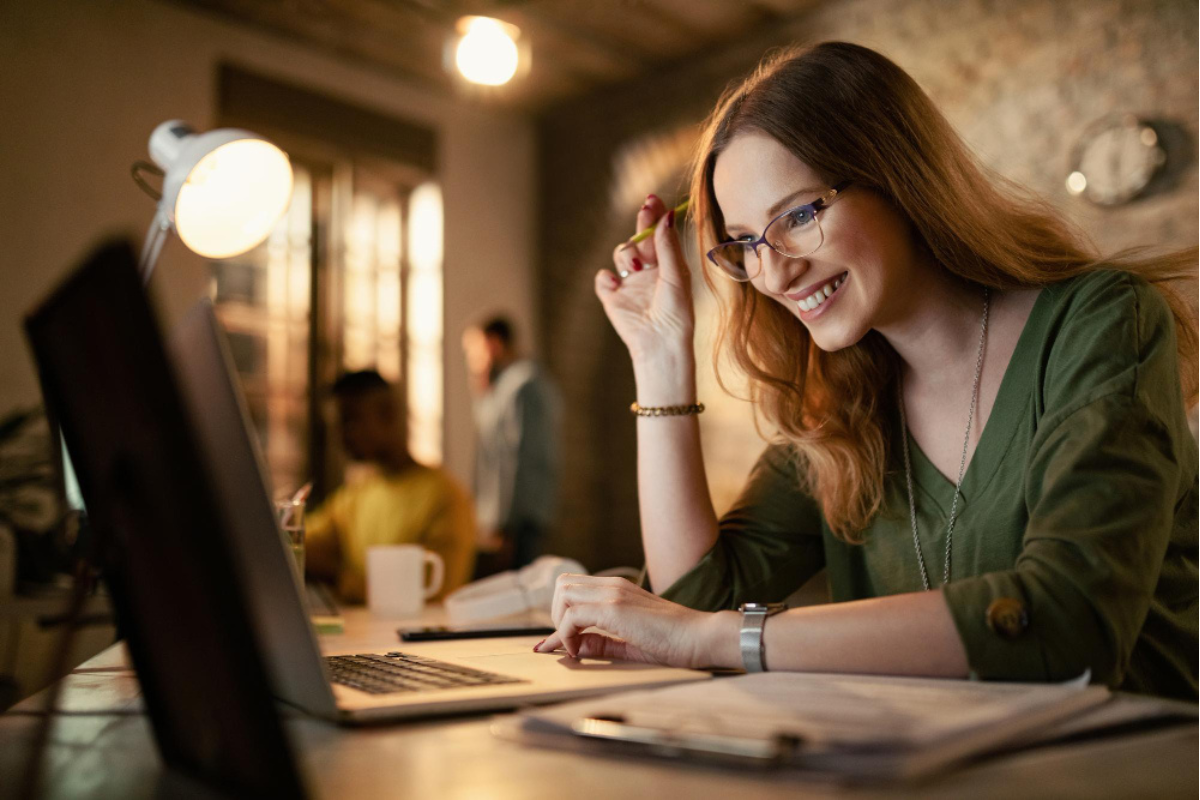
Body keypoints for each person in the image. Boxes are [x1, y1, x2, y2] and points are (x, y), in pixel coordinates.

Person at [534, 42, 1199, 700]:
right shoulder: (841, 406)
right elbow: (696, 599)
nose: (774, 271)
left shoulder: (1102, 322)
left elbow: (1067, 621)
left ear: (898, 175)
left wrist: (719, 638)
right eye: (743, 244)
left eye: (797, 216)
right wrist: (659, 354)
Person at [305, 370, 475, 603]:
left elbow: (434, 593)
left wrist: (338, 576)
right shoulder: (355, 495)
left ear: (388, 414)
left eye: (350, 420)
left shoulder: (445, 497)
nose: (341, 436)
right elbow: (301, 541)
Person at [462, 316, 562, 576]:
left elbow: (518, 459)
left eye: (474, 349)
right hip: (504, 516)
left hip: (517, 518)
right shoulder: (502, 386)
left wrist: (505, 524)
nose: (471, 358)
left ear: (493, 344)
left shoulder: (523, 386)